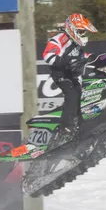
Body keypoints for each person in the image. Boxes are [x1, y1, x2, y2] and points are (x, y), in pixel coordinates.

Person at [42, 13, 98, 146]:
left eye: (84, 31)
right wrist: (65, 61)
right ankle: (65, 128)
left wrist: (92, 57)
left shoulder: (74, 43)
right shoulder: (59, 39)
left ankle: (80, 125)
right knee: (73, 94)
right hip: (61, 74)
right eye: (81, 31)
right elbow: (47, 55)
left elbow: (81, 55)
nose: (84, 34)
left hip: (73, 75)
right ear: (72, 29)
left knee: (83, 95)